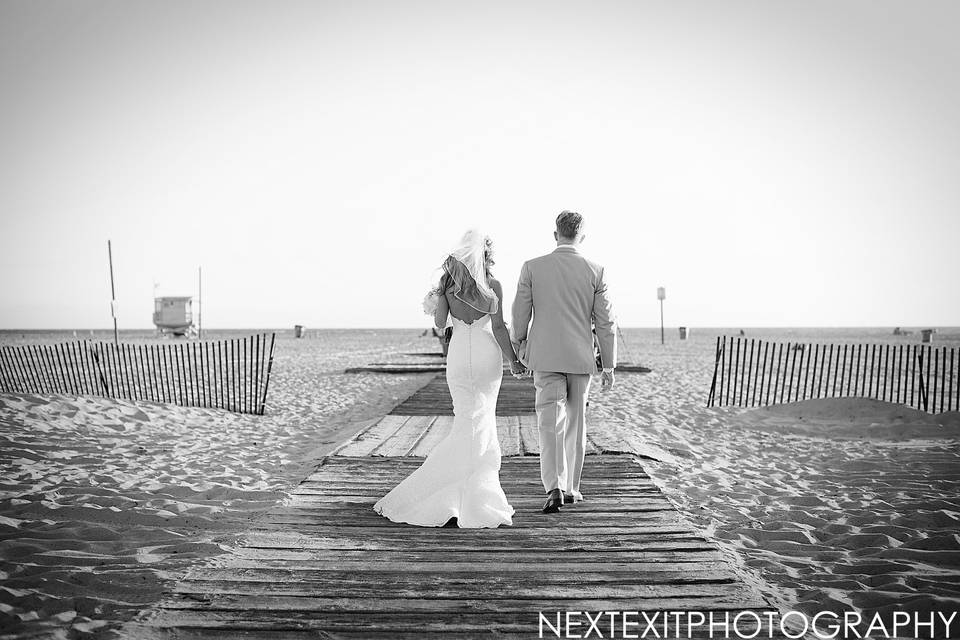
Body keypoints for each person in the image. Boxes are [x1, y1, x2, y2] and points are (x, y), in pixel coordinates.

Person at [373, 230, 521, 528]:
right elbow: (500, 328)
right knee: (484, 419)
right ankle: (480, 490)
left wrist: (439, 299)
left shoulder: (447, 286)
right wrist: (514, 361)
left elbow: (441, 324)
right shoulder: (493, 286)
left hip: (458, 357)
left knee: (464, 419)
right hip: (486, 355)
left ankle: (452, 484)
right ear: (485, 257)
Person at [512, 211, 617, 514]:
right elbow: (606, 323)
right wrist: (608, 365)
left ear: (555, 234)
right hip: (580, 357)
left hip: (544, 356)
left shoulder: (532, 267)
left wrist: (519, 346)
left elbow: (521, 313)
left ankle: (553, 486)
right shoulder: (595, 270)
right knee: (576, 422)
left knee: (549, 422)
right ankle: (571, 488)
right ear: (581, 237)